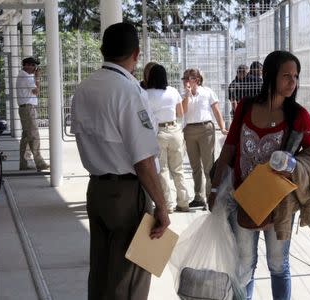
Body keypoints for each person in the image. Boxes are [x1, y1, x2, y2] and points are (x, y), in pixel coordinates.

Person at [71, 22, 170, 300]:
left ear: (102, 50)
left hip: (97, 190)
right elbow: (143, 160)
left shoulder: (84, 88)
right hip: (128, 193)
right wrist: (162, 206)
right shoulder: (128, 91)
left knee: (101, 273)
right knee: (129, 278)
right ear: (136, 54)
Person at [209, 50, 310, 300]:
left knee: (278, 265)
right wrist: (215, 188)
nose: (293, 82)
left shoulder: (299, 115)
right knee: (243, 265)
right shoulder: (246, 107)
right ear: (269, 75)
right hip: (241, 200)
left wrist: (292, 163)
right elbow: (229, 147)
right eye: (286, 76)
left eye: (296, 76)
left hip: (279, 205)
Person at [181, 68, 228, 209]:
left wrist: (222, 127)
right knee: (195, 166)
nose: (185, 81)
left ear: (197, 80)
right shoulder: (183, 94)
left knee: (208, 166)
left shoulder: (207, 92)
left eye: (188, 78)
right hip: (189, 130)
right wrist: (187, 95)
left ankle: (210, 197)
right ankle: (198, 196)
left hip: (205, 129)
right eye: (184, 78)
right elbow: (182, 112)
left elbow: (216, 110)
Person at [146, 64, 190, 213]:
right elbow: (180, 113)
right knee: (178, 169)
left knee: (162, 170)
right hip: (174, 131)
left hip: (158, 133)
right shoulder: (173, 91)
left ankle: (168, 205)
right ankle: (184, 202)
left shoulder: (145, 94)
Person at [16, 57, 49, 171]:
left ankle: (24, 163)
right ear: (27, 65)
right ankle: (39, 162)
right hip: (27, 108)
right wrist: (37, 78)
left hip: (26, 108)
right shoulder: (25, 76)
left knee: (26, 137)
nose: (35, 68)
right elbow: (36, 91)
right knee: (34, 136)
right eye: (34, 66)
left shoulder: (24, 75)